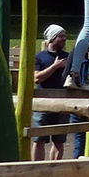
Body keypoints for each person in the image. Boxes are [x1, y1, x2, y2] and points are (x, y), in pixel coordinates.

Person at [31, 24, 70, 162]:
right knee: (39, 139)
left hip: (63, 103)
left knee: (59, 140)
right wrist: (55, 66)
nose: (64, 39)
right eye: (61, 36)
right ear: (52, 38)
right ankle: (37, 172)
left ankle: (54, 172)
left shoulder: (68, 57)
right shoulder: (39, 57)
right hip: (43, 103)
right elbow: (36, 78)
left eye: (65, 36)